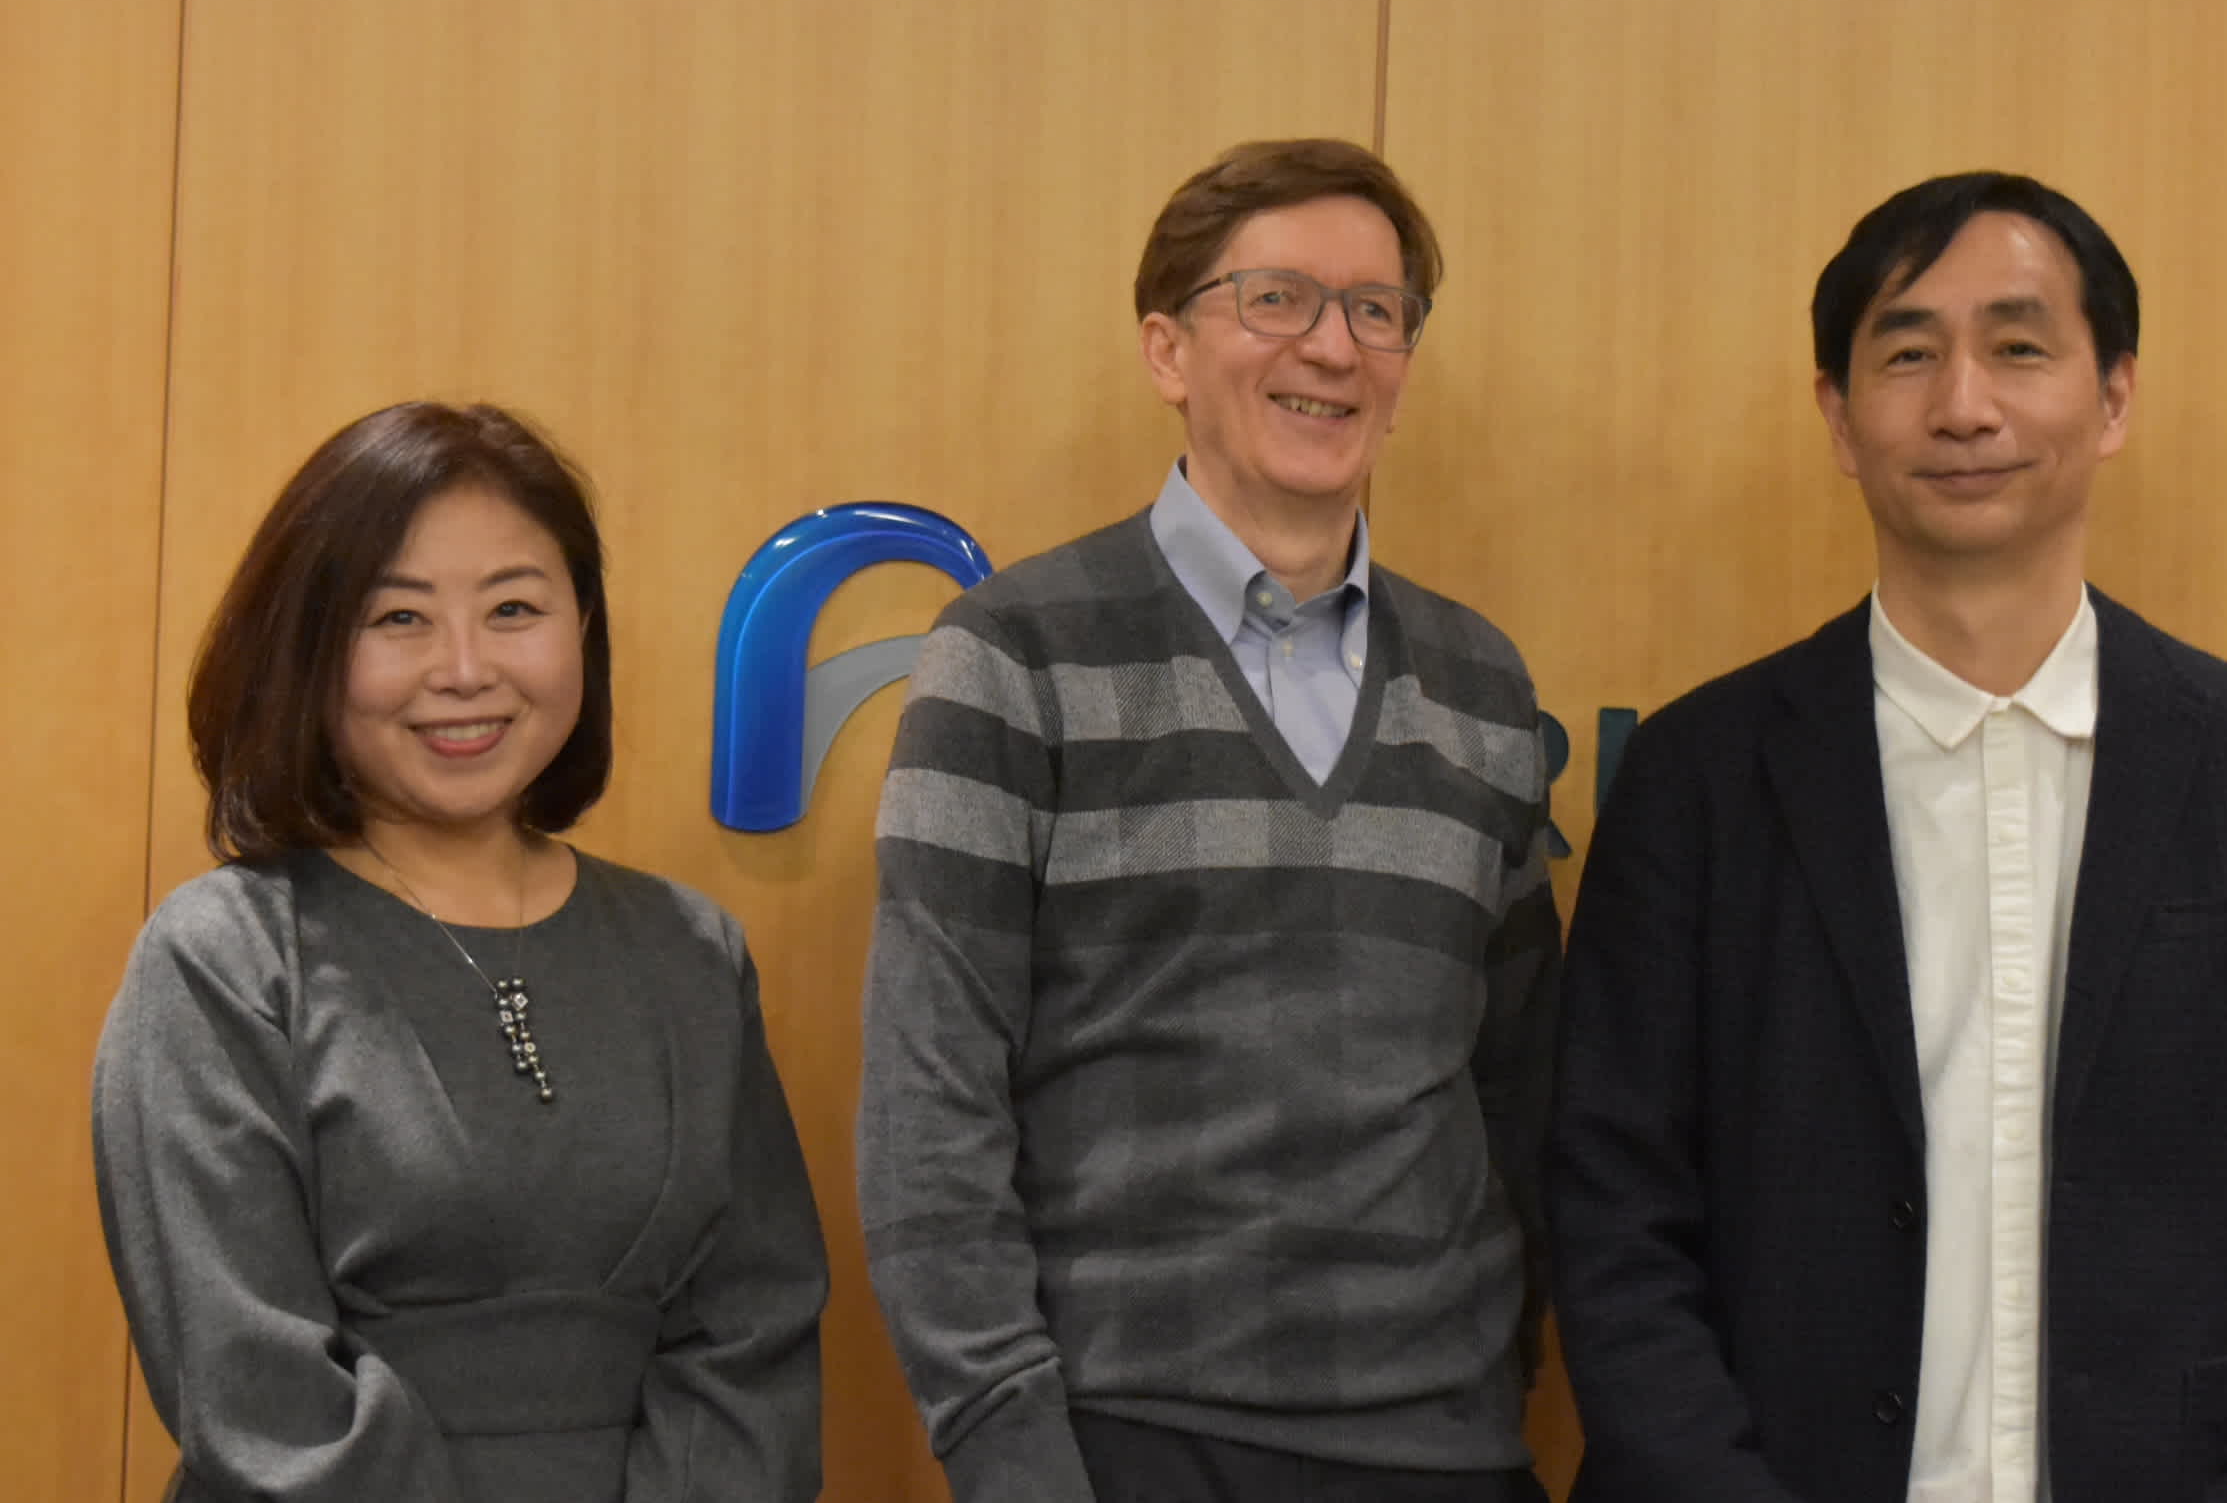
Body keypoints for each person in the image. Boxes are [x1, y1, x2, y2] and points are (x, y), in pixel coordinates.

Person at [1548, 173, 2227, 1503]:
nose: (1964, 404)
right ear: (1837, 418)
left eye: (2018, 347)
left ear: (2113, 394)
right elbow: (1611, 1207)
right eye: (1907, 353)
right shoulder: (1694, 774)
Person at [859, 138, 1561, 1503]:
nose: (1333, 346)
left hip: (1446, 1443)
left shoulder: (1481, 683)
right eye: (1277, 299)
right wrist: (1006, 1449)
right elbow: (927, 1103)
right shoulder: (1013, 653)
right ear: (1168, 349)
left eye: (1376, 310)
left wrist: (1501, 1375)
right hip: (1124, 1437)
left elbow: (1519, 1088)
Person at [92, 401, 828, 1502]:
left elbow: (755, 1333)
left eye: (515, 607)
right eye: (399, 619)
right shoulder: (222, 962)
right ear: (308, 650)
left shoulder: (690, 950)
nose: (467, 669)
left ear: (581, 628)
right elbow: (254, 1388)